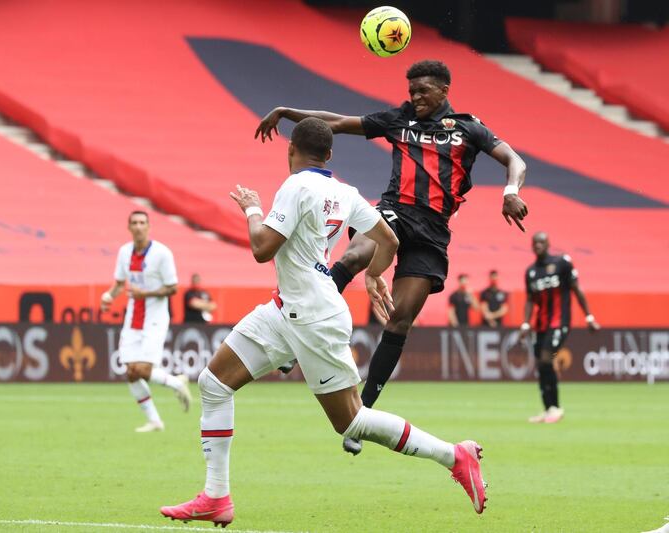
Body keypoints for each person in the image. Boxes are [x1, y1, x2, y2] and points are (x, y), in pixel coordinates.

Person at [160, 118, 487, 527]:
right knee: (214, 383)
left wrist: (252, 209)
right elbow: (389, 240)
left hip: (313, 314)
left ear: (290, 150)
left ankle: (454, 456)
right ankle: (215, 496)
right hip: (288, 309)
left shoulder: (296, 186)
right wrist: (373, 274)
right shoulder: (344, 191)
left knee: (351, 421)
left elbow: (262, 248)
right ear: (330, 155)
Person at [255, 59, 528, 455]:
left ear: (444, 91)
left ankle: (361, 412)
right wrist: (287, 113)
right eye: (411, 90)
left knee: (400, 320)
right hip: (393, 211)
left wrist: (510, 193)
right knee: (356, 254)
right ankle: (290, 329)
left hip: (432, 233)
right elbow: (338, 122)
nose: (414, 97)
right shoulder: (399, 120)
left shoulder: (470, 128)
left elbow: (514, 161)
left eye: (423, 91)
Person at [101, 210, 192, 432]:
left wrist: (146, 295)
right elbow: (120, 284)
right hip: (133, 319)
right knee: (130, 372)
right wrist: (109, 296)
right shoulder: (124, 252)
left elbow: (172, 288)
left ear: (149, 226)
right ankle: (155, 421)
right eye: (134, 223)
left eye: (143, 222)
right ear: (129, 227)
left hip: (155, 320)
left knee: (142, 369)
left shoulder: (162, 253)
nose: (139, 226)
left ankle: (176, 383)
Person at [521, 232, 599, 424]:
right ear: (532, 246)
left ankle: (556, 408)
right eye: (535, 243)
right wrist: (525, 323)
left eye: (541, 242)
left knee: (548, 359)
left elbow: (576, 289)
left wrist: (589, 316)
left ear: (548, 244)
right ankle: (548, 409)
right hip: (541, 325)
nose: (538, 245)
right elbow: (530, 300)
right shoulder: (531, 272)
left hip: (560, 322)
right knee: (541, 364)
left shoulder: (562, 263)